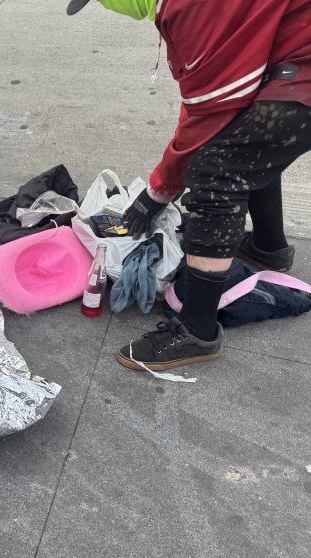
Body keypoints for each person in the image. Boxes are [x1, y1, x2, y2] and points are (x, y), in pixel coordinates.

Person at [67, 0, 311, 371]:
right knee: (250, 141)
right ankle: (267, 249)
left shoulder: (192, 7)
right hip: (294, 63)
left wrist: (157, 194)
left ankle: (197, 330)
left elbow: (209, 113)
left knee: (215, 175)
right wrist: (160, 189)